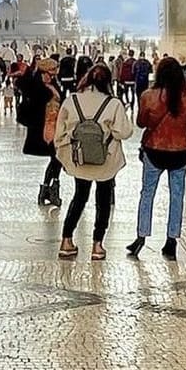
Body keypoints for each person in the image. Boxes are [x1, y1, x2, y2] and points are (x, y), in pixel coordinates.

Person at [54, 62, 133, 260]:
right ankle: (97, 245)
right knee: (103, 200)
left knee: (79, 197)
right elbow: (124, 132)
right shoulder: (113, 103)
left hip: (80, 160)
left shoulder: (71, 100)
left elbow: (60, 132)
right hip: (104, 161)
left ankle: (66, 240)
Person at [127, 56, 186, 259]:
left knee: (147, 193)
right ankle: (171, 240)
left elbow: (141, 123)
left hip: (155, 149)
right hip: (181, 149)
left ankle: (141, 236)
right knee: (177, 196)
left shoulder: (148, 96)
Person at [21, 56, 64, 207]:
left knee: (57, 158)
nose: (52, 76)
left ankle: (49, 188)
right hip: (44, 127)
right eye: (50, 73)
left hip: (56, 125)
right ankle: (49, 189)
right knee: (55, 156)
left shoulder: (53, 84)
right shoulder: (36, 87)